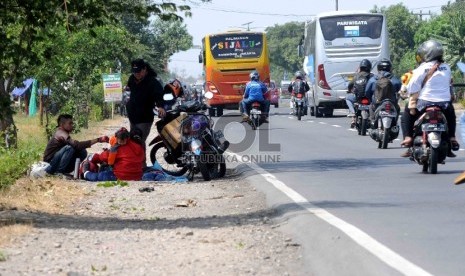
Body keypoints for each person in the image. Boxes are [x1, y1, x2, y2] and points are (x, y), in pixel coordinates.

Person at [400, 39, 459, 156]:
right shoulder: (446, 68)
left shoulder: (421, 68)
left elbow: (413, 86)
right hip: (444, 104)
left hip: (424, 103)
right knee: (451, 115)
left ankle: (408, 138)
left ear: (427, 54)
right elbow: (448, 83)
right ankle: (452, 138)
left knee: (407, 112)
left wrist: (409, 94)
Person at [43, 114, 109, 176]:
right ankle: (59, 172)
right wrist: (98, 140)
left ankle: (65, 172)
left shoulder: (64, 133)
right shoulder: (60, 133)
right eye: (70, 123)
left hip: (56, 161)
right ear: (62, 124)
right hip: (50, 164)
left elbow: (78, 146)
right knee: (69, 148)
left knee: (82, 151)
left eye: (72, 123)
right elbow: (77, 145)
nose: (72, 125)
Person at [81, 127, 146, 181]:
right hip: (138, 176)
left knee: (101, 176)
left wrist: (94, 157)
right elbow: (142, 159)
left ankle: (86, 173)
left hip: (120, 176)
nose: (121, 143)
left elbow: (104, 157)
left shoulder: (117, 147)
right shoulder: (139, 147)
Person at [126, 59, 165, 146]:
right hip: (133, 117)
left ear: (145, 69)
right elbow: (129, 89)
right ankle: (135, 160)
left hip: (144, 118)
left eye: (139, 71)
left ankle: (141, 159)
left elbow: (158, 95)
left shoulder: (153, 82)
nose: (136, 74)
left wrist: (160, 107)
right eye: (134, 72)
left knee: (138, 142)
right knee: (132, 142)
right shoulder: (132, 79)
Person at [365, 58, 402, 124]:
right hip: (392, 102)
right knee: (398, 108)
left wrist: (371, 99)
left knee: (371, 106)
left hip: (377, 102)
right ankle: (394, 123)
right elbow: (401, 90)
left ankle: (372, 121)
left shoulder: (373, 79)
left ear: (378, 68)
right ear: (390, 68)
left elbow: (367, 92)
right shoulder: (394, 79)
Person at [346, 59, 374, 127]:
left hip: (358, 97)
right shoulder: (372, 76)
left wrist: (349, 90)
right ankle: (373, 119)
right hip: (369, 98)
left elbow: (350, 85)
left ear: (360, 67)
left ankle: (353, 113)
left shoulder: (356, 76)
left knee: (348, 98)